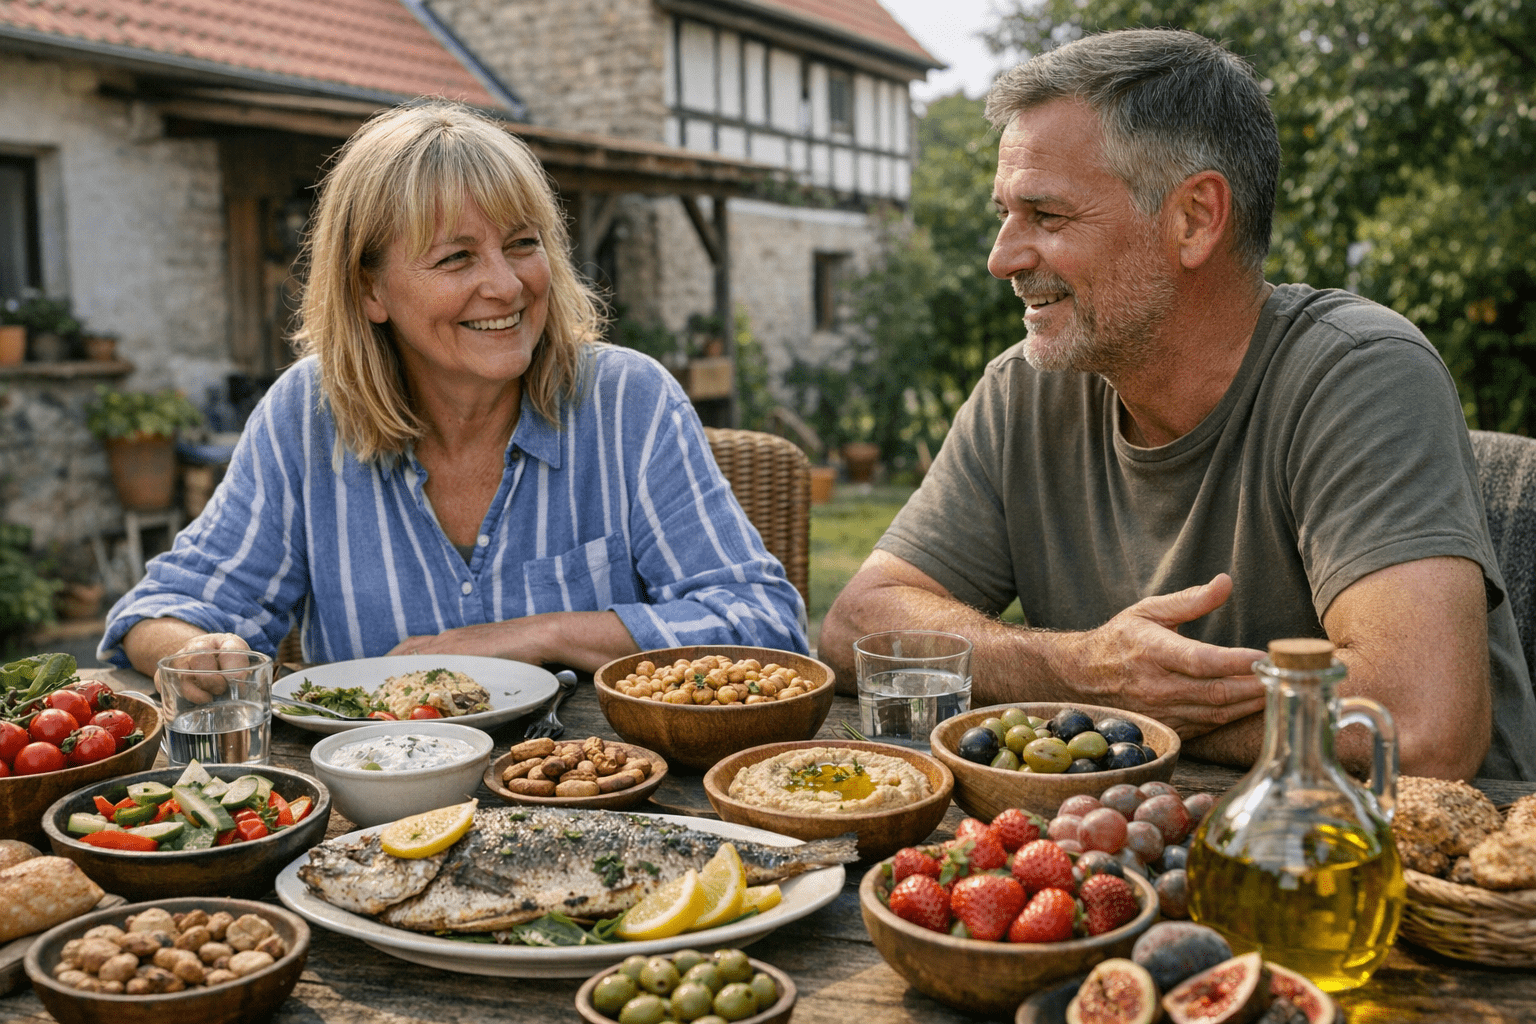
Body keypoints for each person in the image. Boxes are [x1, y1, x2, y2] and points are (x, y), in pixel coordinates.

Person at [820, 28, 1536, 781]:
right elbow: (860, 623)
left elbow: (1419, 728)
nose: (1003, 257)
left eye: (1047, 216)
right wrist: (1085, 672)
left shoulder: (1361, 374)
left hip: (1404, 872)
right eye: (1004, 212)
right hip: (1139, 859)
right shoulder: (1023, 391)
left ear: (1194, 218)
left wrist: (1128, 710)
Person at [101, 100, 807, 686]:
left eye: (523, 244)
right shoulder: (308, 415)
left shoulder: (626, 402)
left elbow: (766, 622)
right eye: (457, 257)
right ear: (370, 288)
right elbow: (163, 610)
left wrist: (536, 637)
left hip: (602, 798)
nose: (506, 284)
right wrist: (193, 653)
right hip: (374, 822)